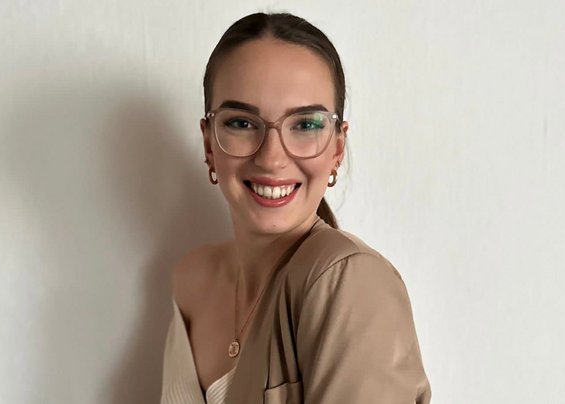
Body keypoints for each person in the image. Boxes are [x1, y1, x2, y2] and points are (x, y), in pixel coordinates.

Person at [161, 12, 431, 404]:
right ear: (209, 144)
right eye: (241, 123)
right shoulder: (192, 277)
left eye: (305, 125)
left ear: (337, 148)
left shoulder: (351, 283)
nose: (272, 159)